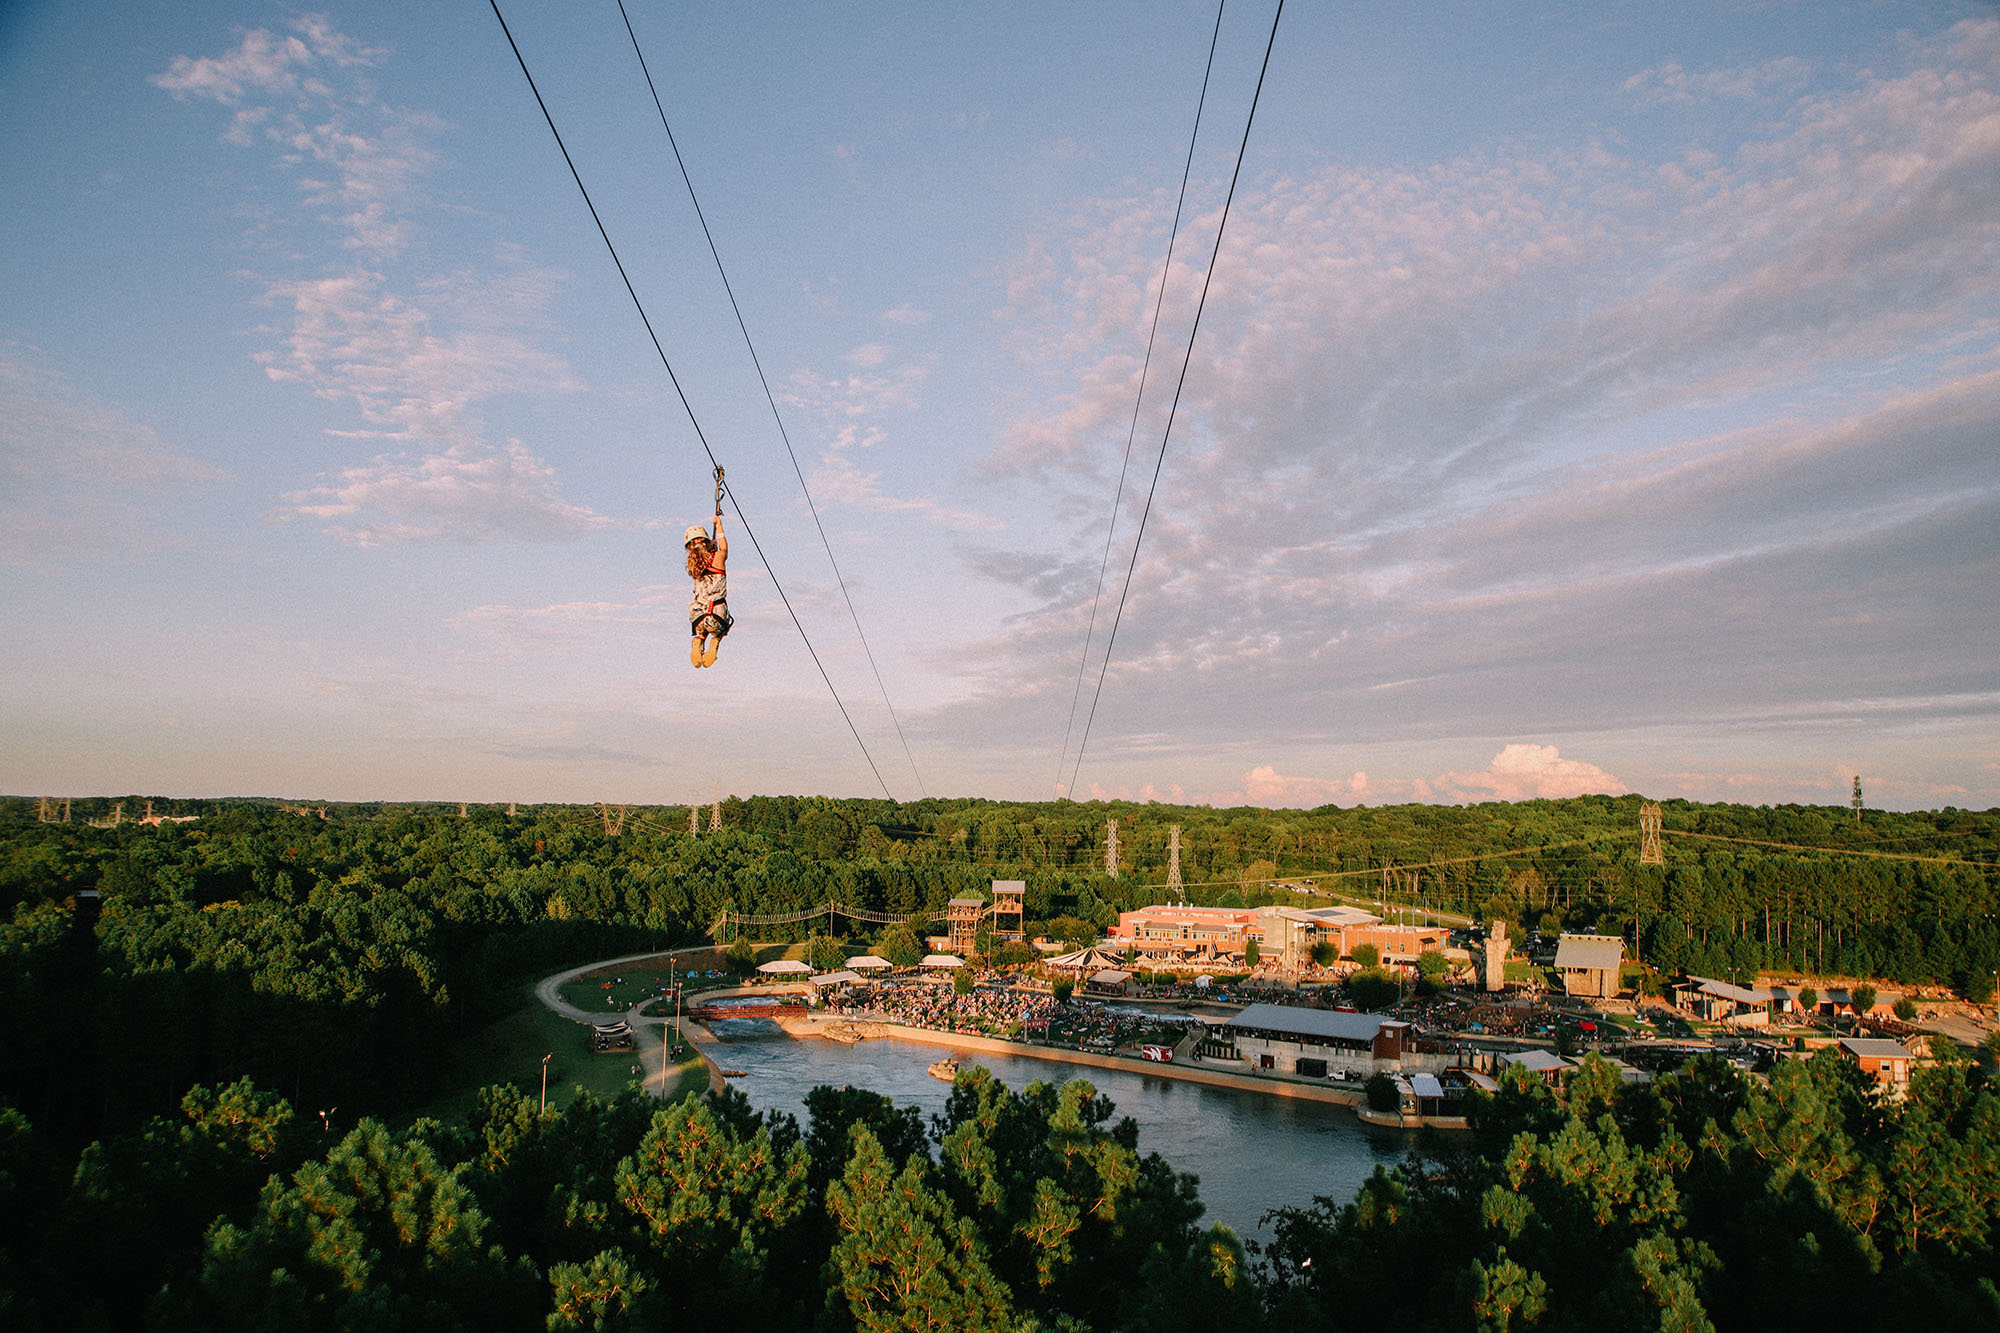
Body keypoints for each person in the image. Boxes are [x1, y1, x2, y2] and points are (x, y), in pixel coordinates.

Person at [685, 505, 730, 667]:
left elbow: (701, 556)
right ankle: (715, 641)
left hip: (696, 615)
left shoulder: (693, 567)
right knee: (724, 628)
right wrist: (719, 526)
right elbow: (724, 548)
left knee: (703, 626)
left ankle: (699, 638)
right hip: (716, 614)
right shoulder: (718, 557)